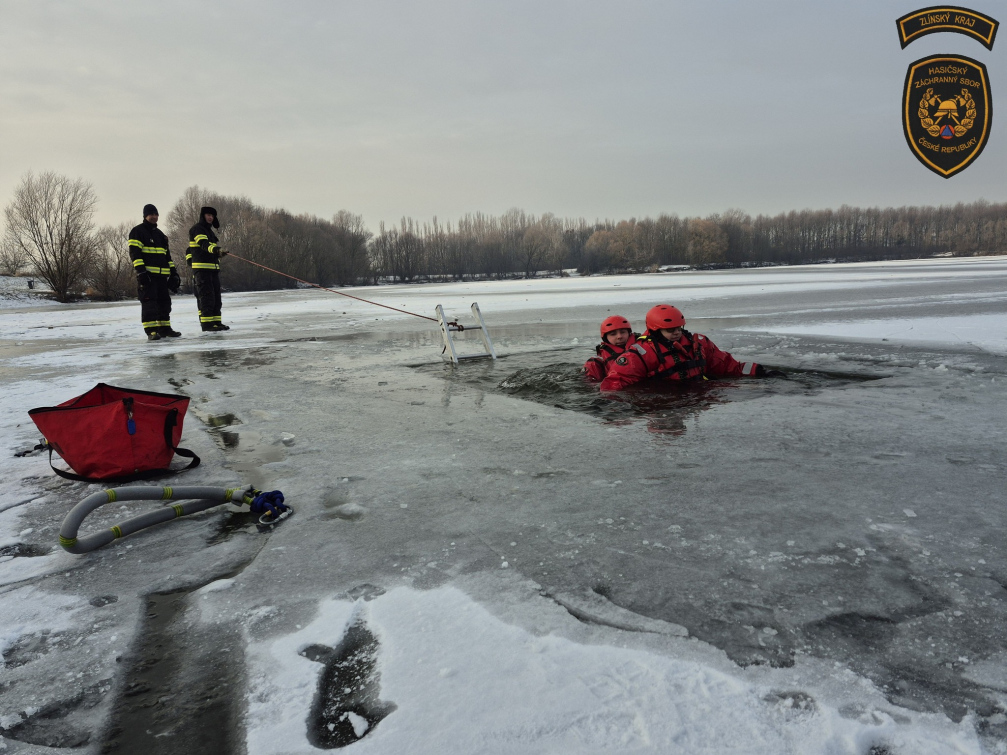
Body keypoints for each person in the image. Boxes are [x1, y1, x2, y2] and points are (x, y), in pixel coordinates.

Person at [600, 304, 785, 390]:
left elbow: (727, 366)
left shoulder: (699, 344)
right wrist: (613, 404)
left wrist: (759, 371)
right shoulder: (641, 353)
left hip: (695, 394)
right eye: (669, 330)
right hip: (663, 400)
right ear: (655, 331)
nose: (676, 333)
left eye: (678, 328)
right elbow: (615, 381)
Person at [128, 204, 180, 341]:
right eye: (151, 214)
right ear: (145, 216)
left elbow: (167, 257)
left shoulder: (160, 235)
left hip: (162, 277)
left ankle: (165, 329)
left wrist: (174, 273)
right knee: (149, 304)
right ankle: (151, 331)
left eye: (156, 214)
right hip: (148, 276)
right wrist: (141, 273)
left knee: (164, 303)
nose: (154, 217)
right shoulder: (137, 232)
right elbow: (135, 254)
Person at [187, 206, 229, 331]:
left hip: (213, 270)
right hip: (202, 270)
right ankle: (207, 324)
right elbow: (204, 244)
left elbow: (211, 250)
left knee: (216, 297)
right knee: (207, 297)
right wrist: (216, 250)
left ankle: (216, 322)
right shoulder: (197, 229)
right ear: (203, 216)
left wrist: (219, 255)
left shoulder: (210, 232)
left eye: (212, 215)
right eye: (208, 215)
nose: (210, 217)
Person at [584, 315, 638, 382]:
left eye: (623, 332)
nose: (619, 336)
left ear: (629, 333)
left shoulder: (643, 347)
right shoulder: (597, 362)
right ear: (605, 337)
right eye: (613, 334)